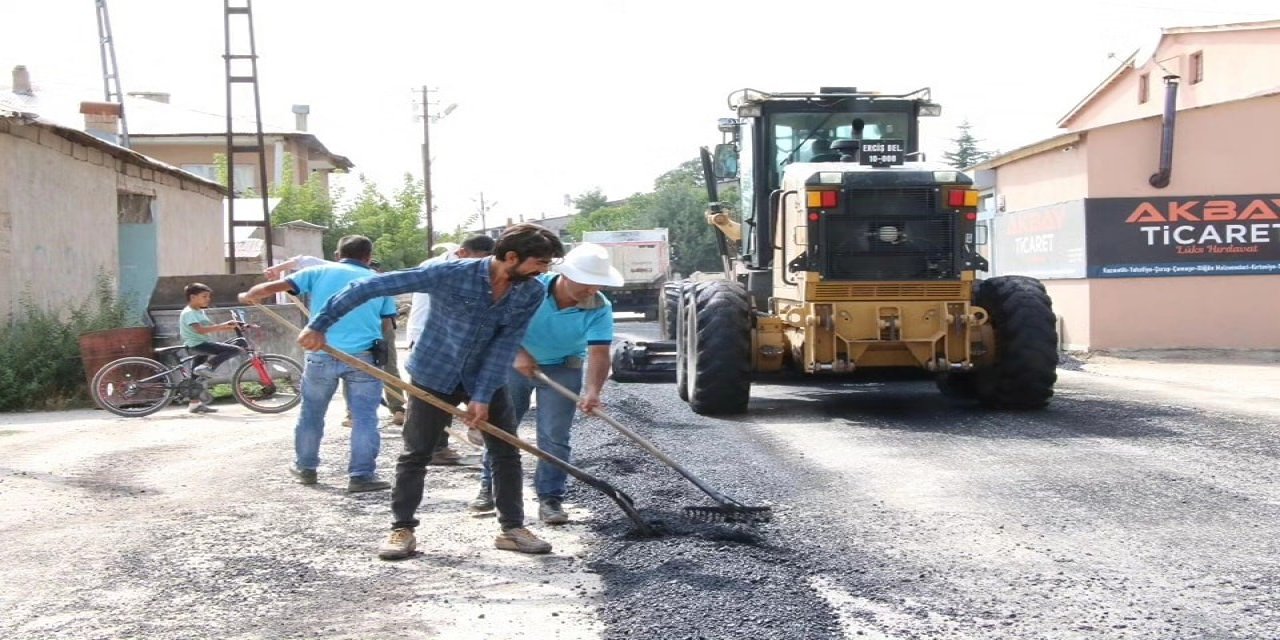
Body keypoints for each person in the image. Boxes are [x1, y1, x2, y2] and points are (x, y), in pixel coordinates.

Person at [294, 223, 565, 560]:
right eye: (540, 263)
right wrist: (319, 324)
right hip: (434, 373)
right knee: (416, 453)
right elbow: (369, 285)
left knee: (505, 450)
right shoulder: (450, 274)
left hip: (485, 375)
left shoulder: (530, 291)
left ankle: (512, 529)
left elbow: (505, 344)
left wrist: (481, 396)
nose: (543, 271)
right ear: (511, 256)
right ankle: (401, 529)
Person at [470, 242, 622, 525]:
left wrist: (593, 391)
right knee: (503, 429)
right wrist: (519, 353)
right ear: (567, 275)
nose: (593, 290)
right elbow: (498, 325)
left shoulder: (599, 306)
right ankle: (489, 487)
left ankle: (550, 497)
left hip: (563, 367)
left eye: (598, 284)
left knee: (554, 435)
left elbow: (599, 352)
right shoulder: (530, 289)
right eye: (588, 283)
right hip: (513, 365)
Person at [238, 235, 398, 493]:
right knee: (365, 417)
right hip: (365, 357)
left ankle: (306, 468)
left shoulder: (317, 271)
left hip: (320, 351)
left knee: (312, 413)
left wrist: (247, 294)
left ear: (337, 254)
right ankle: (362, 475)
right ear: (368, 258)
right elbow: (386, 322)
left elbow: (266, 290)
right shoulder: (379, 281)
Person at [267, 255, 407, 427]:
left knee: (360, 364)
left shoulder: (331, 270)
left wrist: (277, 270)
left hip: (362, 325)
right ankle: (393, 409)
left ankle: (367, 412)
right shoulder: (367, 276)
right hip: (367, 324)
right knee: (376, 365)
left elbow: (302, 260)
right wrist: (278, 270)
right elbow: (303, 260)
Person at [405, 234, 496, 464]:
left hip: (460, 342)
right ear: (463, 253)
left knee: (465, 392)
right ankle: (431, 448)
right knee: (434, 398)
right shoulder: (439, 269)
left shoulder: (468, 269)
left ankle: (474, 435)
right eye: (479, 260)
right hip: (431, 340)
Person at [179, 283, 246, 414]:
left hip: (200, 344)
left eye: (208, 296)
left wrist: (233, 326)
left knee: (195, 377)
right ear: (192, 297)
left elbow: (212, 326)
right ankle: (208, 366)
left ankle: (194, 405)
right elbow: (201, 330)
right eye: (204, 296)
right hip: (198, 345)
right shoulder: (189, 313)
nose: (207, 299)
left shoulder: (199, 311)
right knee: (234, 349)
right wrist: (223, 326)